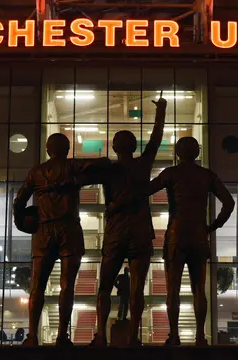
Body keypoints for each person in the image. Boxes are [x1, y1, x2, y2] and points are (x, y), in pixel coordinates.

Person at [135, 136, 234, 346]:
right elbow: (229, 203)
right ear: (197, 152)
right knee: (199, 289)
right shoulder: (207, 175)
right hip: (199, 234)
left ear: (178, 153)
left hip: (176, 235)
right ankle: (200, 336)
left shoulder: (171, 173)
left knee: (173, 289)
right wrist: (213, 226)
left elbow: (144, 190)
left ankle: (174, 335)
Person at [14, 133, 109, 347]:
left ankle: (32, 336)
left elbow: (18, 202)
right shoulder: (71, 166)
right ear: (66, 150)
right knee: (67, 285)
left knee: (37, 286)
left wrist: (23, 224)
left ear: (48, 150)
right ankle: (62, 337)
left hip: (44, 231)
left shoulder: (35, 172)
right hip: (68, 229)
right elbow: (98, 164)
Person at [89, 94, 167, 347]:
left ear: (114, 147)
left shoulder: (107, 169)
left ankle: (100, 335)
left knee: (104, 286)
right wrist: (161, 112)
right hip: (140, 231)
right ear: (134, 147)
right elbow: (155, 140)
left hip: (115, 231)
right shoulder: (143, 165)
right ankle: (134, 337)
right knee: (137, 288)